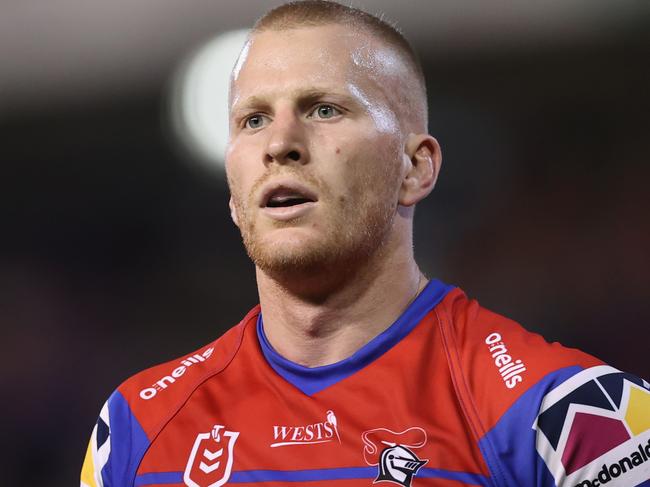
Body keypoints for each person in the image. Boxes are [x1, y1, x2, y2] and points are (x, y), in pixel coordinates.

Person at [81, 2, 650, 486]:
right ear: (233, 191)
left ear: (415, 167)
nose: (280, 143)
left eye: (324, 109)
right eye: (253, 120)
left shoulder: (574, 416)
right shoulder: (134, 431)